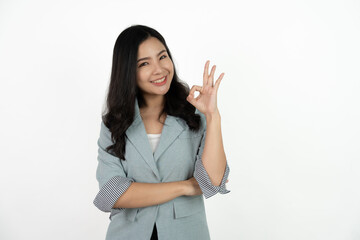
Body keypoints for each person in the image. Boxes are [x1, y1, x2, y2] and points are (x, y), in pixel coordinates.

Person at [93, 24, 230, 240]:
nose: (159, 69)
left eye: (162, 57)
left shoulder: (194, 115)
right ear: (128, 71)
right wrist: (186, 186)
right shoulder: (114, 123)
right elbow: (113, 192)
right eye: (144, 63)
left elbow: (212, 181)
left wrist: (213, 116)